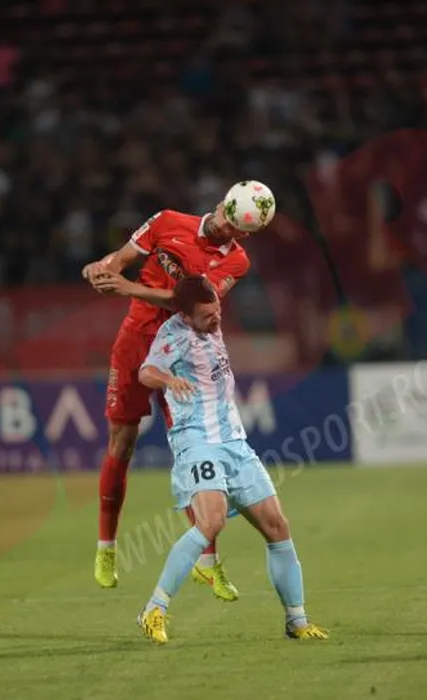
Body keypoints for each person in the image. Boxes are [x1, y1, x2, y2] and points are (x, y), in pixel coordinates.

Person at [82, 188, 265, 597]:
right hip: (136, 340)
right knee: (122, 442)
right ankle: (106, 548)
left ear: (243, 233)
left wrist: (128, 289)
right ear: (221, 202)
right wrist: (101, 268)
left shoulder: (236, 261)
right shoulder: (167, 221)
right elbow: (122, 259)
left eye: (234, 226)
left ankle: (208, 562)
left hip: (184, 351)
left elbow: (191, 304)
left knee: (192, 449)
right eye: (225, 212)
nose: (224, 223)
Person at [134, 276, 327, 643]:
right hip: (197, 442)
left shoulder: (208, 315)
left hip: (234, 443)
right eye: (207, 316)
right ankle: (154, 609)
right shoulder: (174, 334)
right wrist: (168, 381)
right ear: (186, 316)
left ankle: (297, 621)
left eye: (218, 311)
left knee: (277, 525)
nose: (217, 319)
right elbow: (146, 371)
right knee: (211, 521)